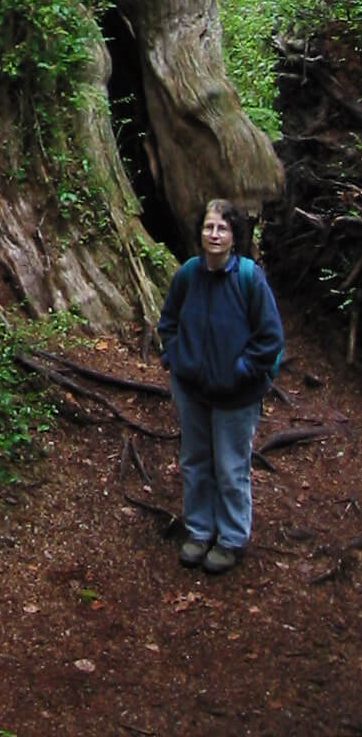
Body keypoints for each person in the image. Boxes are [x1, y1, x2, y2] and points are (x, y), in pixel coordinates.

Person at [157, 198, 284, 575]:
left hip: (236, 395)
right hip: (192, 390)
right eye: (209, 227)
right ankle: (198, 530)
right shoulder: (188, 275)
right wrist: (176, 359)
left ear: (234, 235)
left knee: (230, 467)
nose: (214, 234)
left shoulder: (248, 278)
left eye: (222, 228)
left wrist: (242, 370)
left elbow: (270, 337)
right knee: (195, 462)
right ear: (200, 232)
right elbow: (169, 322)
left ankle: (230, 539)